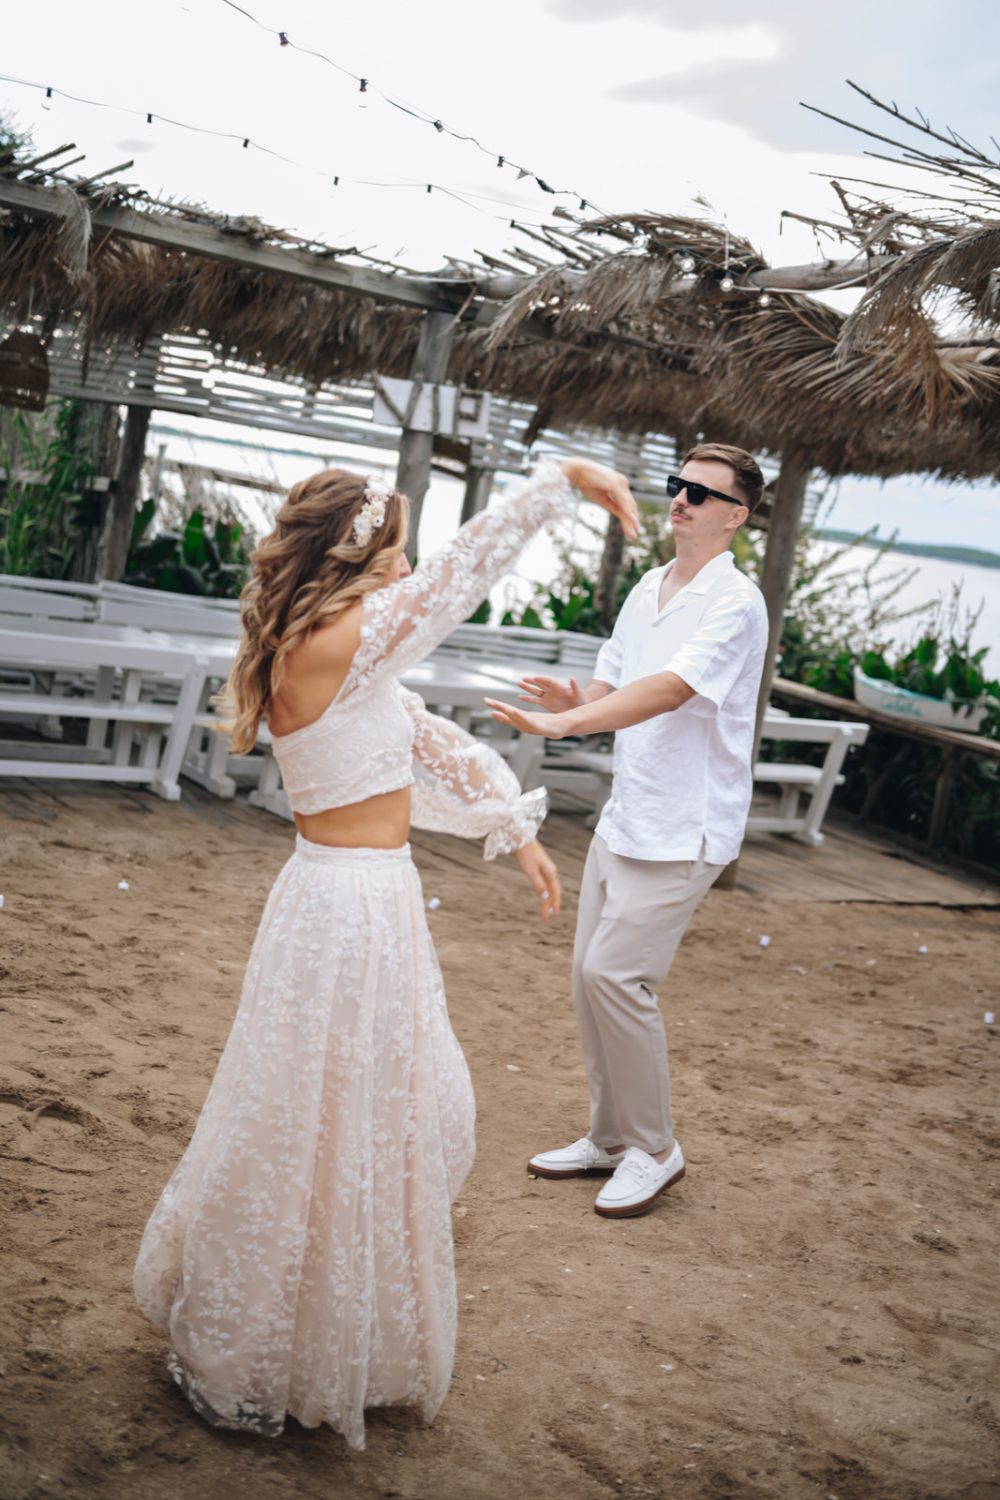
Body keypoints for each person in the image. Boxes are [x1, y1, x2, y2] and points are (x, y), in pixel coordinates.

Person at [132, 456, 639, 1450]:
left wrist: (513, 826)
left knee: (362, 1114)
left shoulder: (338, 651)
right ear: (351, 554)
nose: (406, 566)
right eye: (394, 548)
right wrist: (556, 484)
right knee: (336, 1121)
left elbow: (419, 738)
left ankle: (326, 1327)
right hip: (348, 909)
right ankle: (279, 1344)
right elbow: (453, 580)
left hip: (361, 901)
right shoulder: (333, 641)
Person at [486, 443, 768, 1220]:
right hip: (628, 816)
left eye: (700, 493)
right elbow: (618, 675)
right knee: (588, 979)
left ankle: (656, 1148)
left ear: (736, 516)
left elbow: (672, 690)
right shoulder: (650, 585)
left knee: (616, 976)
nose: (679, 499)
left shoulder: (737, 602)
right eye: (678, 485)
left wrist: (567, 723)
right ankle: (610, 1139)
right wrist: (578, 698)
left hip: (686, 827)